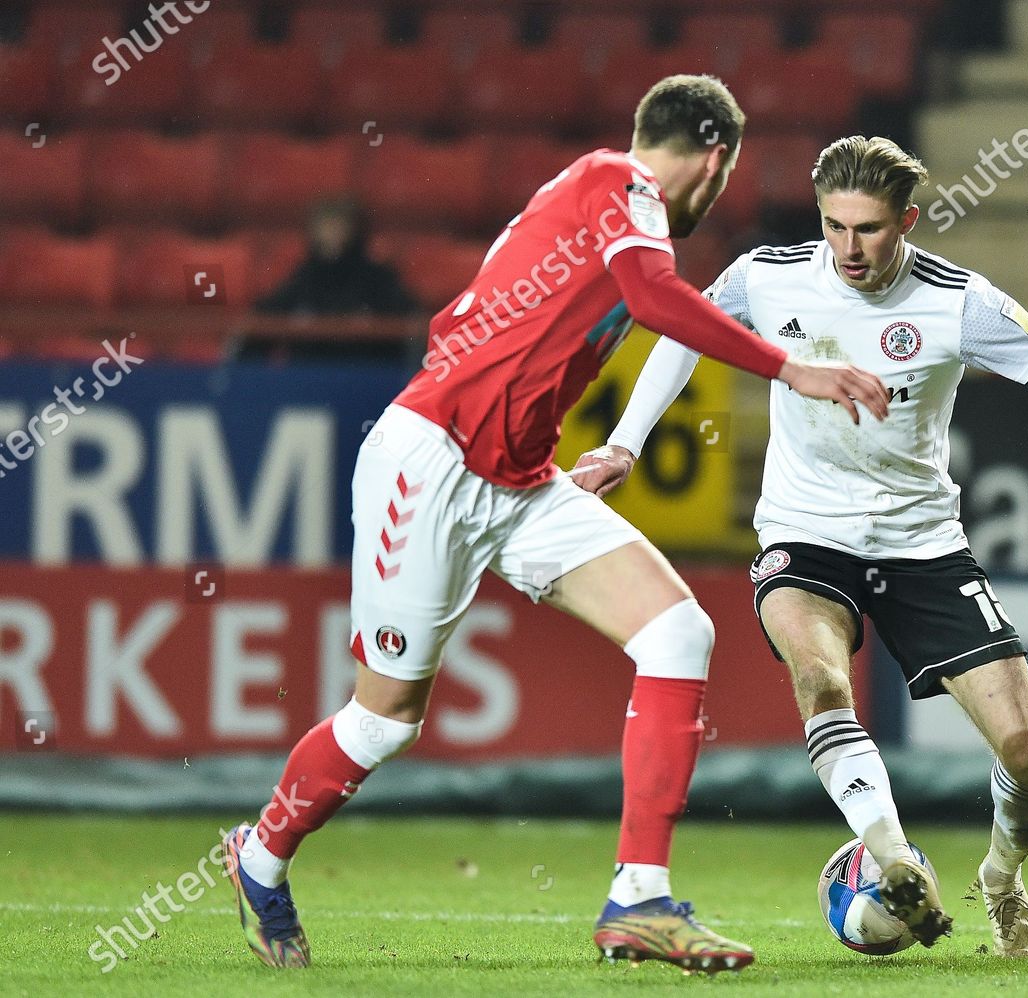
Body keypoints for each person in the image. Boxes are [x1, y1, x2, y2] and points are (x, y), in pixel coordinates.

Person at [220, 77, 890, 975]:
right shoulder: (616, 182)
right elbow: (655, 298)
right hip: (432, 464)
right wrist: (791, 369)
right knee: (383, 722)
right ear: (714, 159)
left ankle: (639, 899)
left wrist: (615, 446)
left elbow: (633, 302)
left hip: (522, 479)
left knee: (678, 632)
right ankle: (259, 859)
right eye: (722, 178)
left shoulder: (616, 209)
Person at [572, 135, 1028, 957]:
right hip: (804, 533)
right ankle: (892, 859)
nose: (849, 249)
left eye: (871, 229)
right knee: (820, 680)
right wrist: (625, 446)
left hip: (922, 542)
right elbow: (683, 336)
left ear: (909, 221)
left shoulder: (957, 303)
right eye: (835, 226)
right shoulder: (768, 276)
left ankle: (998, 880)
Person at [248, 196, 420, 364]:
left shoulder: (377, 278)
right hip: (309, 377)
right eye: (325, 226)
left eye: (338, 226)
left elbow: (408, 319)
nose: (331, 233)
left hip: (367, 375)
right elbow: (265, 318)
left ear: (355, 230)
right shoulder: (304, 277)